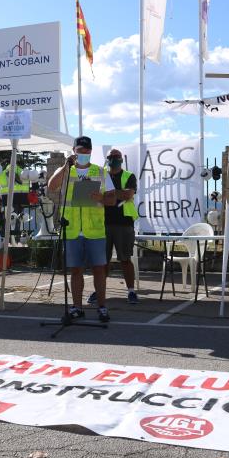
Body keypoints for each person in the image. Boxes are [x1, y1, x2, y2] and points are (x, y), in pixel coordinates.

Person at [47, 136, 116, 322]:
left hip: (95, 230)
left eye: (86, 152)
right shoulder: (67, 171)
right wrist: (65, 166)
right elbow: (51, 186)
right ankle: (77, 307)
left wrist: (100, 198)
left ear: (91, 151)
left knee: (99, 270)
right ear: (73, 151)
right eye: (80, 151)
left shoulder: (100, 172)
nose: (83, 154)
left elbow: (112, 200)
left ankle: (102, 307)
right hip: (71, 230)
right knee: (76, 270)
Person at [87, 148, 139, 305]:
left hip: (124, 223)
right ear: (107, 159)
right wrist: (115, 194)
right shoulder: (102, 175)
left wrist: (108, 194)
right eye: (110, 157)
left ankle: (131, 291)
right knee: (103, 260)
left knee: (125, 259)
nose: (113, 159)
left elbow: (128, 194)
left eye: (116, 157)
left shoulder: (129, 176)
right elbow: (93, 194)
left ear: (121, 159)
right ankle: (99, 291)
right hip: (102, 223)